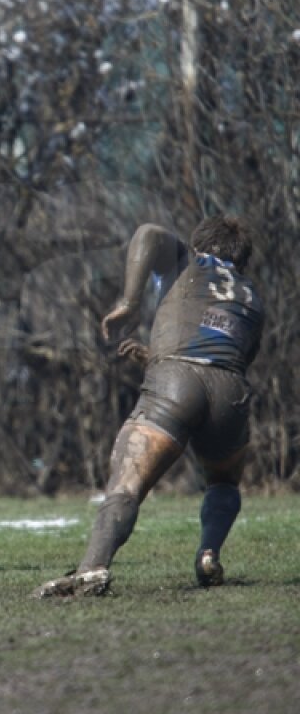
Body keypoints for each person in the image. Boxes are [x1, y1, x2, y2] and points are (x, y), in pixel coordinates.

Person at [36, 216, 265, 598]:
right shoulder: (253, 297)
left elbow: (147, 233)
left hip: (174, 383)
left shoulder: (188, 265)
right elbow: (225, 354)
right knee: (224, 481)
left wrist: (129, 302)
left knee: (128, 481)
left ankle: (93, 568)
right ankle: (209, 554)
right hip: (230, 394)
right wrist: (155, 355)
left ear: (199, 247)